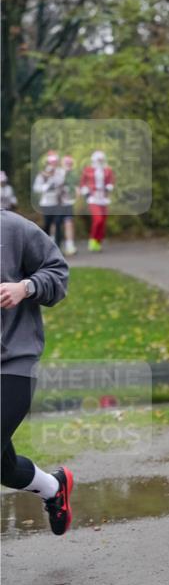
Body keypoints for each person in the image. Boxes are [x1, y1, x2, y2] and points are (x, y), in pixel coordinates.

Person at [0, 209, 74, 535]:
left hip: (14, 361)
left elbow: (58, 273)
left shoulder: (14, 229)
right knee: (5, 468)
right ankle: (54, 487)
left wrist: (26, 287)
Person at [80, 150, 115, 251]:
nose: (100, 161)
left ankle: (98, 242)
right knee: (98, 219)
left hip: (103, 198)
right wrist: (86, 193)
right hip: (93, 198)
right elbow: (83, 183)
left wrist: (109, 187)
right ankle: (92, 240)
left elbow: (111, 181)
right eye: (98, 159)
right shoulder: (88, 170)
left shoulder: (107, 170)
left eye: (102, 159)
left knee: (103, 220)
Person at [33, 150, 66, 248]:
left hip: (58, 203)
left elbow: (62, 183)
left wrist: (54, 177)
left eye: (55, 162)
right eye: (52, 162)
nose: (54, 164)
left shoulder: (60, 173)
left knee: (58, 223)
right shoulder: (42, 175)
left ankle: (58, 247)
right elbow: (36, 188)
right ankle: (45, 246)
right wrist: (47, 185)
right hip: (47, 203)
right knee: (47, 224)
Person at [60, 155, 78, 256]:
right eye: (67, 163)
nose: (69, 165)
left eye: (70, 164)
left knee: (69, 222)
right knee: (55, 224)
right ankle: (54, 243)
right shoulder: (58, 173)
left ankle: (70, 245)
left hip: (68, 202)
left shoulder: (73, 175)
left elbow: (76, 187)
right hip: (56, 203)